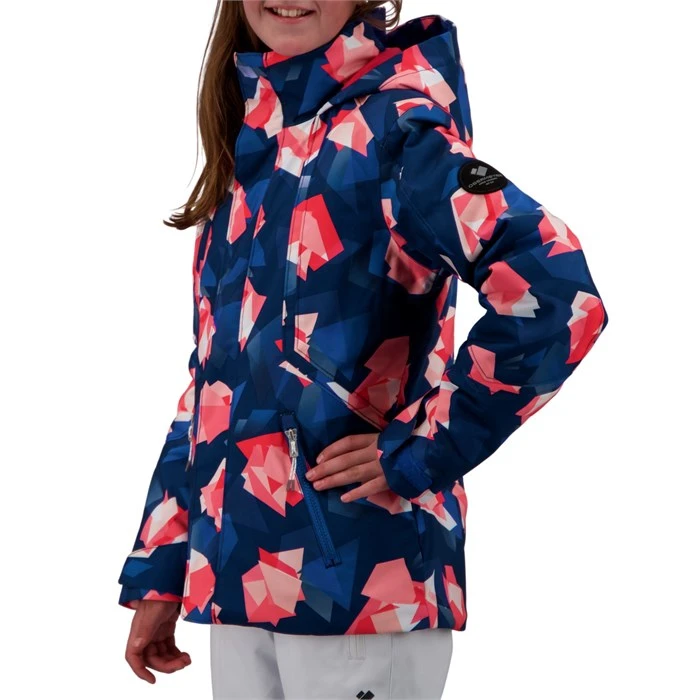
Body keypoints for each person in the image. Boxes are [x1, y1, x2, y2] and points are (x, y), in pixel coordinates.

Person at [117, 1, 609, 698]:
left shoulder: (396, 133)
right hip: (240, 590)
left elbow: (558, 293)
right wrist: (164, 565)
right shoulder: (256, 146)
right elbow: (215, 381)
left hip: (364, 590)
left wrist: (423, 446)